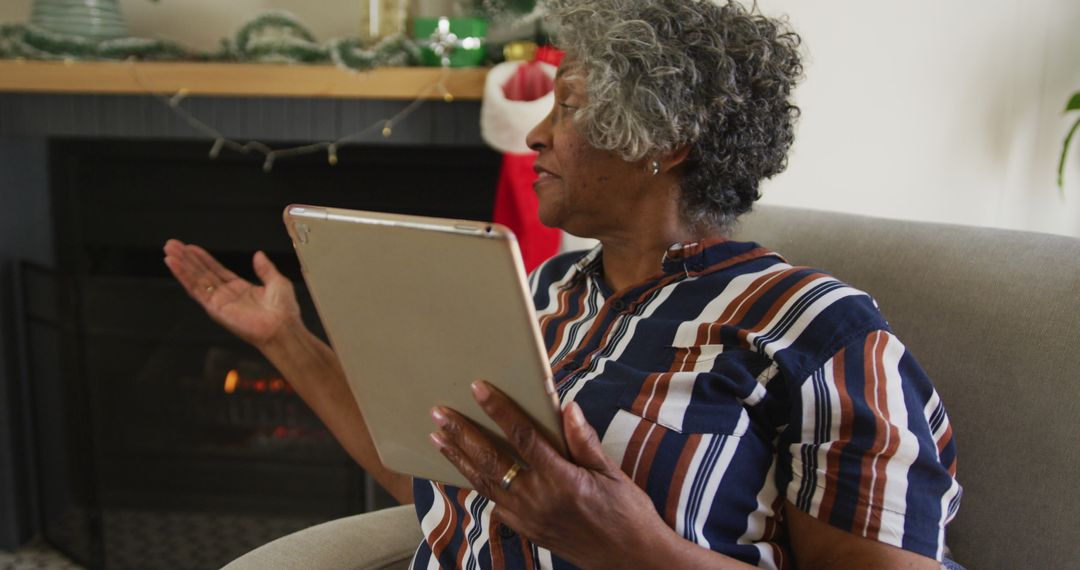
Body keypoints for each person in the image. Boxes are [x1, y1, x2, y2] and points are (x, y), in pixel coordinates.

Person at [164, 0, 961, 568]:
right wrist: (288, 342)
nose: (538, 133)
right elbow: (441, 474)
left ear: (666, 139)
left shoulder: (818, 332)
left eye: (569, 105)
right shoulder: (542, 290)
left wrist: (628, 548)